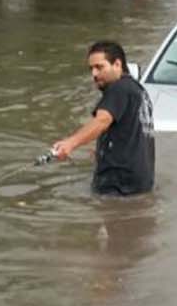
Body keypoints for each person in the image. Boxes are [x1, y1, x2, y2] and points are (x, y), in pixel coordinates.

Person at [51, 41, 155, 195]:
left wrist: (70, 144)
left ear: (117, 64)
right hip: (140, 182)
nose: (94, 74)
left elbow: (102, 120)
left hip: (118, 185)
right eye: (91, 69)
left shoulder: (118, 89)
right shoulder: (138, 91)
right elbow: (130, 133)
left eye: (99, 67)